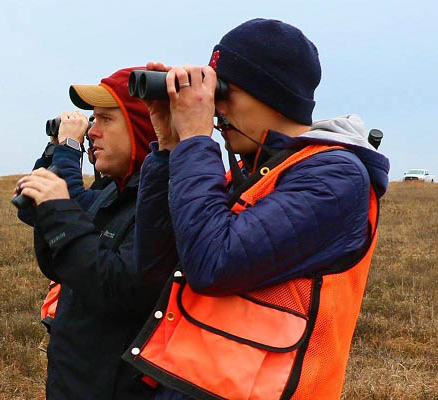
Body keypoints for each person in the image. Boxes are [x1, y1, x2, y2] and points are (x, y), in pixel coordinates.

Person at [124, 19, 390, 399]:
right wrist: (169, 145)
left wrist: (197, 140)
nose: (215, 107)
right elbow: (153, 265)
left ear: (270, 93)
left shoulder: (335, 176)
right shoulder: (254, 174)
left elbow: (213, 263)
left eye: (224, 90)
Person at [15, 67, 162, 399]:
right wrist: (56, 155)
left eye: (106, 120)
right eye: (92, 120)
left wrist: (69, 149)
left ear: (141, 128)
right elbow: (59, 256)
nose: (92, 132)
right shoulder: (112, 193)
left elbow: (116, 285)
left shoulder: (160, 205)